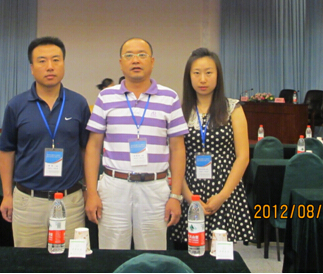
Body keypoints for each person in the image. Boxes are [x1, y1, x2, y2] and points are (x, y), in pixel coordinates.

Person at [84, 37, 188, 250]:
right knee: (111, 254)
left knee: (152, 256)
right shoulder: (105, 97)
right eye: (129, 55)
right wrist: (92, 192)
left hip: (155, 188)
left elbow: (178, 149)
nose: (136, 60)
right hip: (114, 187)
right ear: (121, 63)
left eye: (142, 55)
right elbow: (93, 147)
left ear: (152, 61)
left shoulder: (170, 98)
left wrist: (175, 196)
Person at [0, 36, 91, 248]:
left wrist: (88, 189)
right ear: (32, 68)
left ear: (63, 64)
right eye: (42, 61)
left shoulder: (78, 103)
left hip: (70, 200)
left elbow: (87, 150)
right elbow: (7, 152)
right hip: (28, 201)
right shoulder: (16, 105)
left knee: (71, 261)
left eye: (56, 60)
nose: (50, 66)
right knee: (29, 262)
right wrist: (7, 195)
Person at [169, 48, 254, 249]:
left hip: (225, 189)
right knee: (191, 252)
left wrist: (222, 196)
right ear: (189, 77)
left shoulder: (233, 109)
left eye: (209, 72)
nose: (203, 79)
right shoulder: (179, 111)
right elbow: (174, 157)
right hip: (189, 189)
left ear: (218, 75)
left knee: (219, 255)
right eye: (196, 73)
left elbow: (243, 157)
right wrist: (188, 197)